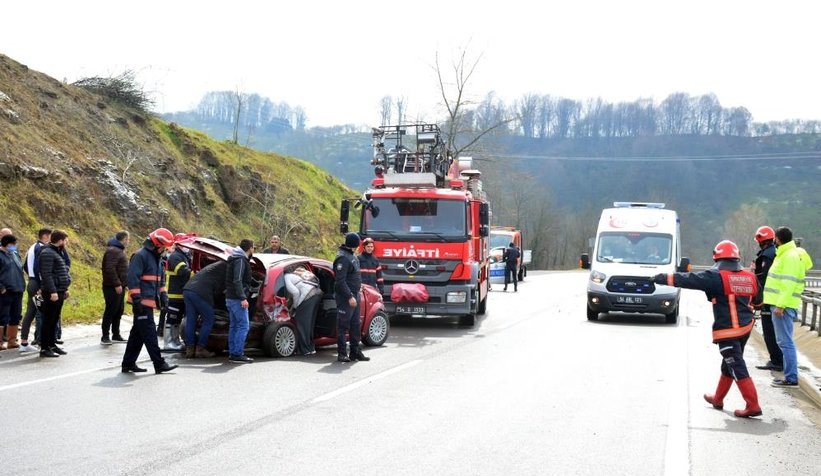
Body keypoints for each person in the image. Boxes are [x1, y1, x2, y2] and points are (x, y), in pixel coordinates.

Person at [652, 240, 762, 417]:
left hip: (728, 331)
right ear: (737, 257)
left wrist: (660, 278)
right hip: (746, 328)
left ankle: (753, 404)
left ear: (716, 256)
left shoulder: (716, 276)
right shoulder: (750, 277)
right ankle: (718, 398)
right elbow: (758, 302)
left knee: (736, 365)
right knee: (729, 363)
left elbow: (687, 279)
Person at [120, 228, 178, 374]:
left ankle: (128, 363)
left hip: (150, 301)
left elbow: (160, 280)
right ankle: (159, 364)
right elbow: (133, 280)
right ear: (157, 245)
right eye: (164, 247)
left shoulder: (157, 258)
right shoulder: (140, 256)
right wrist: (137, 300)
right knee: (150, 333)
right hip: (142, 303)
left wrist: (164, 296)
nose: (165, 250)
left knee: (138, 334)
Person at [763, 226, 813, 387]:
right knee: (786, 341)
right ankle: (790, 376)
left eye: (774, 238)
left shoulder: (789, 256)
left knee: (785, 342)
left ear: (777, 239)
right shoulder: (790, 254)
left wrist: (780, 305)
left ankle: (791, 378)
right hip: (782, 304)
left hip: (782, 306)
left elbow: (788, 283)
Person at [333, 232, 369, 362]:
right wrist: (349, 296)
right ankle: (342, 353)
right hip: (346, 298)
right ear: (354, 244)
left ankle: (355, 352)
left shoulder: (352, 256)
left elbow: (353, 276)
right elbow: (340, 281)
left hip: (355, 295)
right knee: (343, 326)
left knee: (355, 325)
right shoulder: (343, 258)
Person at [751, 226, 782, 372]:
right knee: (775, 331)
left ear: (760, 239)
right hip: (773, 297)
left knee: (769, 331)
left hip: (767, 298)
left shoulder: (767, 255)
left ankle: (776, 361)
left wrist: (752, 275)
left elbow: (763, 277)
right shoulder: (774, 252)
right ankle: (777, 359)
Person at [182, 259, 227, 358]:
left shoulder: (216, 266)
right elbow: (219, 291)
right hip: (201, 292)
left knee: (191, 320)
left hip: (188, 289)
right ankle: (200, 349)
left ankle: (190, 349)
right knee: (208, 320)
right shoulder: (228, 268)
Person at [37, 230, 72, 358]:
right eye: (66, 240)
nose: (66, 243)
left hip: (59, 290)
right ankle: (44, 347)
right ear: (60, 240)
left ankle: (52, 344)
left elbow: (60, 272)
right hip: (52, 291)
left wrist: (64, 288)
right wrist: (52, 291)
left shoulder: (57, 252)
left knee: (54, 319)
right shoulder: (47, 253)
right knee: (48, 320)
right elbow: (46, 274)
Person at [225, 239, 256, 364]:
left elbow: (244, 278)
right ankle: (237, 354)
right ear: (249, 248)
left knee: (234, 326)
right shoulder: (241, 260)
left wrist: (256, 283)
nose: (254, 250)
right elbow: (237, 280)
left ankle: (233, 353)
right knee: (243, 326)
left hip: (230, 297)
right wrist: (243, 298)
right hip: (237, 299)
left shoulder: (235, 258)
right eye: (253, 247)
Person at [19, 228, 50, 352]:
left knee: (30, 312)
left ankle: (24, 342)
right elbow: (39, 268)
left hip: (32, 282)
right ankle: (42, 341)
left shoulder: (32, 247)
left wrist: (32, 277)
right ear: (46, 236)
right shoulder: (41, 248)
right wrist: (41, 285)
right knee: (43, 312)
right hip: (38, 285)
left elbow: (26, 266)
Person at [161, 237, 193, 352]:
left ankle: (175, 341)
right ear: (179, 245)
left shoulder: (184, 256)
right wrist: (196, 273)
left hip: (180, 293)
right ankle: (168, 343)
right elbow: (183, 271)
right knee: (172, 319)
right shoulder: (175, 257)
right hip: (174, 294)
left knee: (177, 320)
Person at [285, 265, 322, 355]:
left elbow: (295, 292)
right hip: (318, 293)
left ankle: (304, 350)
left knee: (301, 323)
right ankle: (310, 348)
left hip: (308, 295)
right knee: (309, 324)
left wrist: (295, 307)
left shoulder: (286, 277)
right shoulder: (299, 274)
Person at [100, 231, 129, 345]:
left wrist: (123, 284)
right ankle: (105, 336)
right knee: (111, 310)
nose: (128, 242)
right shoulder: (113, 251)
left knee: (119, 310)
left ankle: (116, 334)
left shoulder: (118, 250)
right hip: (111, 287)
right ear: (124, 239)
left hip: (120, 286)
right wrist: (117, 284)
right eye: (127, 239)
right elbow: (110, 269)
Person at [0, 234, 27, 351]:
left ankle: (12, 341)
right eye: (14, 244)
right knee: (2, 317)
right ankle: (0, 342)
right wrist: (1, 288)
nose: (15, 246)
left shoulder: (15, 254)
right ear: (8, 244)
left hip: (18, 290)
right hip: (5, 291)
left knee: (16, 316)